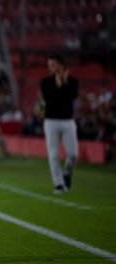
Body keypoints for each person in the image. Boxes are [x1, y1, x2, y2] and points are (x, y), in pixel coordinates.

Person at [40, 55, 79, 194]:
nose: (51, 68)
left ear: (61, 66)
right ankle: (58, 183)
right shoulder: (46, 82)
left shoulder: (72, 81)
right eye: (49, 65)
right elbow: (48, 97)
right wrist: (58, 84)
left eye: (53, 64)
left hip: (68, 120)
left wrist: (64, 83)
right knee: (53, 154)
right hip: (51, 121)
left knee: (73, 154)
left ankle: (67, 174)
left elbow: (73, 95)